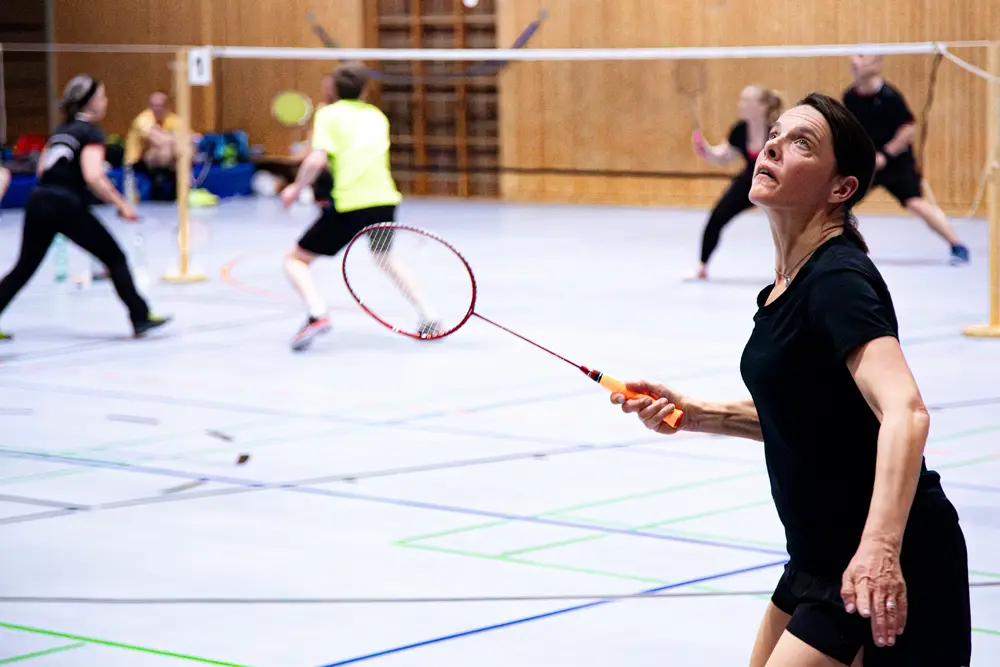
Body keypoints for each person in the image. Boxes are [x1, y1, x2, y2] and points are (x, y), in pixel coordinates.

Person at [611, 93, 970, 666]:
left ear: (840, 188)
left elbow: (905, 412)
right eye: (775, 134)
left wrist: (880, 547)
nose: (773, 145)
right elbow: (820, 417)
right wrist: (699, 413)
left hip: (879, 563)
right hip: (816, 559)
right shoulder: (788, 284)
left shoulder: (838, 279)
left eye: (801, 142)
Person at [279, 61, 437, 351]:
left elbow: (316, 160)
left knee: (295, 260)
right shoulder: (378, 116)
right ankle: (429, 315)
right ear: (365, 89)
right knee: (385, 257)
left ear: (334, 88)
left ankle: (316, 313)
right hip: (384, 201)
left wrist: (294, 188)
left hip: (351, 204)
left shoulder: (328, 114)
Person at [0, 75, 171, 341]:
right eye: (102, 96)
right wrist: (121, 204)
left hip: (39, 201)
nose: (106, 101)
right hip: (65, 205)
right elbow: (93, 176)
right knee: (115, 257)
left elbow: (43, 168)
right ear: (91, 102)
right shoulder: (90, 132)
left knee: (23, 268)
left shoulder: (61, 131)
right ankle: (140, 317)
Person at [843, 54, 969, 265]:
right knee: (840, 205)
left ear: (877, 65)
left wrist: (886, 154)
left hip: (896, 164)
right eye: (855, 56)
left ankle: (957, 246)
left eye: (862, 57)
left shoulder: (890, 97)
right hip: (869, 164)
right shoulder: (850, 97)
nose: (855, 61)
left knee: (916, 204)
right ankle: (835, 250)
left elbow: (908, 130)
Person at [689, 85, 784, 280]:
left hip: (778, 183)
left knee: (789, 227)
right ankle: (702, 266)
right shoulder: (740, 130)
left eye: (748, 101)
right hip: (751, 181)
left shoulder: (777, 131)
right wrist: (705, 150)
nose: (741, 104)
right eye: (742, 100)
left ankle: (796, 269)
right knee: (717, 217)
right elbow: (723, 156)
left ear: (763, 106)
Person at [125, 91, 182, 201]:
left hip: (166, 160)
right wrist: (174, 137)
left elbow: (189, 139)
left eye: (160, 106)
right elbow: (158, 140)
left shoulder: (173, 119)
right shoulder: (142, 120)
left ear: (167, 107)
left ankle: (179, 188)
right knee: (167, 148)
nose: (156, 109)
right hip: (138, 161)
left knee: (182, 150)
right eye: (153, 105)